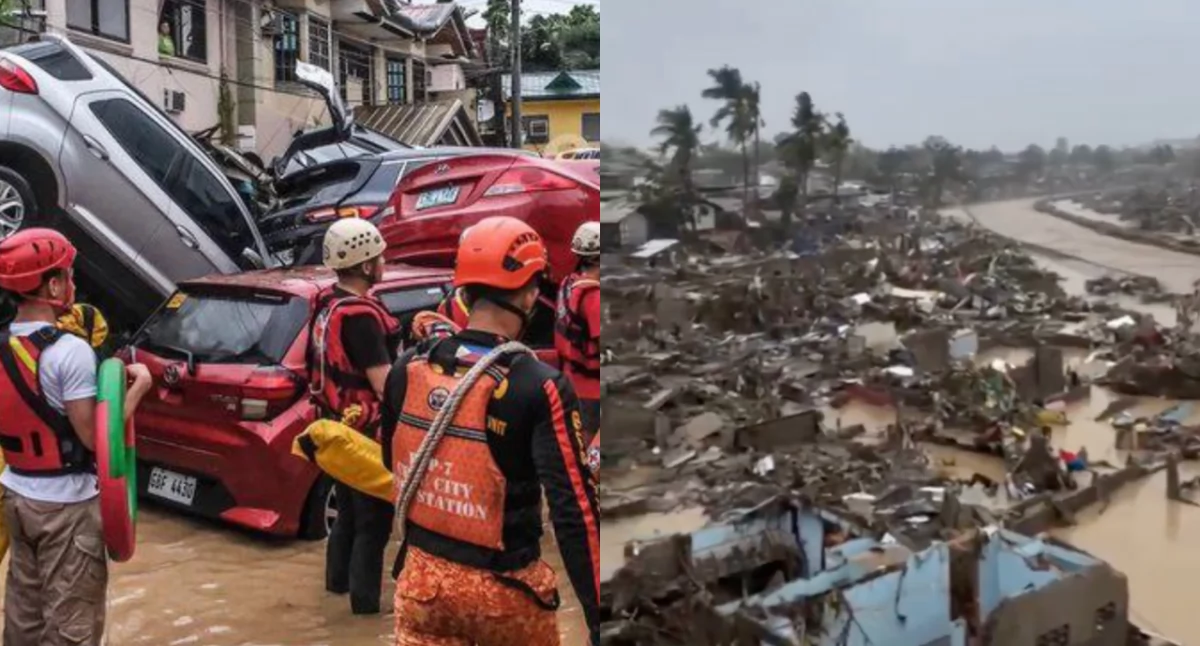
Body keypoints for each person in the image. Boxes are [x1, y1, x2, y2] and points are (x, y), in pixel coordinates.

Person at [381, 216, 599, 646]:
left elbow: (393, 461)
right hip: (505, 594)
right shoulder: (538, 385)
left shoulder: (408, 368)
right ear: (531, 293)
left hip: (422, 585)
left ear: (464, 291)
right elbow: (575, 513)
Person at [0, 228, 152, 646]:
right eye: (67, 275)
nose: (73, 283)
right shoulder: (70, 351)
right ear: (51, 285)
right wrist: (138, 388)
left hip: (16, 496)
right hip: (65, 507)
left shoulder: (4, 345)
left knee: (24, 620)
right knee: (72, 628)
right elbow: (95, 439)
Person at [308, 218, 400, 615]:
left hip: (336, 427)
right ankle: (364, 614)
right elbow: (384, 385)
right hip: (365, 433)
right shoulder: (361, 318)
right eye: (380, 258)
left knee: (347, 513)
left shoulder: (328, 304)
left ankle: (336, 590)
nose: (384, 263)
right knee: (373, 524)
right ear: (365, 265)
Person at [555, 222, 601, 445]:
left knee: (579, 445)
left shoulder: (569, 284)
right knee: (592, 448)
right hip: (591, 391)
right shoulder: (593, 296)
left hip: (570, 380)